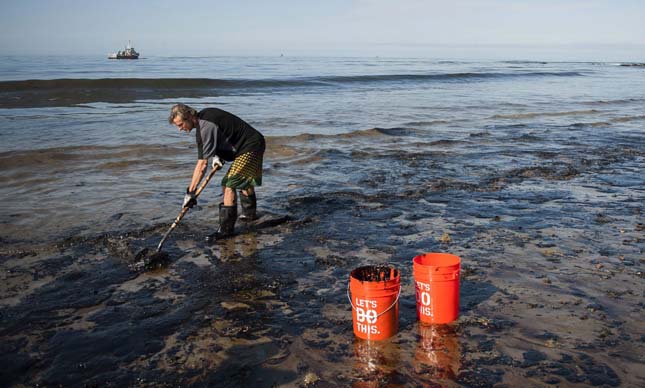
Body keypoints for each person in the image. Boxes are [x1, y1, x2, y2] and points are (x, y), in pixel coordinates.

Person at [168, 104, 265, 241]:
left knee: (228, 184)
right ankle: (249, 216)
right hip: (253, 142)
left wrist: (191, 192)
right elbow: (223, 133)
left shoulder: (204, 126)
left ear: (189, 116)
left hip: (250, 146)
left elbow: (202, 165)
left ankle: (226, 231)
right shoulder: (206, 116)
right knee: (242, 180)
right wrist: (217, 156)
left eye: (180, 124)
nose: (180, 129)